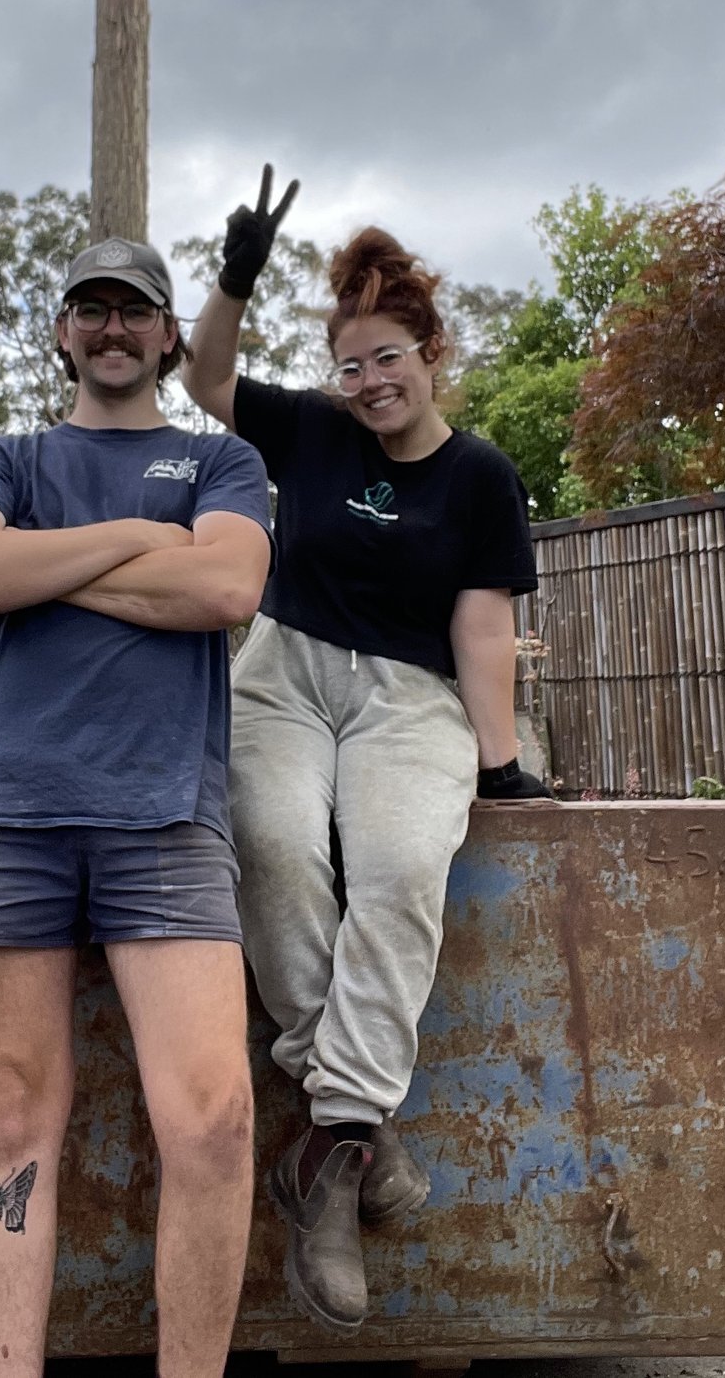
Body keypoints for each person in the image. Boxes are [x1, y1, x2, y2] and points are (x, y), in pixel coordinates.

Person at [181, 172, 551, 1331]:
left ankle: (326, 1151)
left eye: (388, 356)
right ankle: (352, 1139)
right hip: (284, 675)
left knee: (397, 874)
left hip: (408, 700)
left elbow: (481, 624)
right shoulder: (308, 429)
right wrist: (234, 279)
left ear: (431, 350)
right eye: (350, 363)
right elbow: (201, 378)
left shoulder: (482, 477)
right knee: (273, 843)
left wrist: (498, 760)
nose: (368, 381)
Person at [0, 235, 275, 1378]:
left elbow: (223, 588)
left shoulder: (222, 466)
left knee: (214, 1119)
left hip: (163, 817)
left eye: (137, 311)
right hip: (3, 810)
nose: (113, 328)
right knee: (10, 1122)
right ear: (63, 332)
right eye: (92, 309)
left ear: (171, 336)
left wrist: (48, 564)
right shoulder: (6, 455)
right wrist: (135, 542)